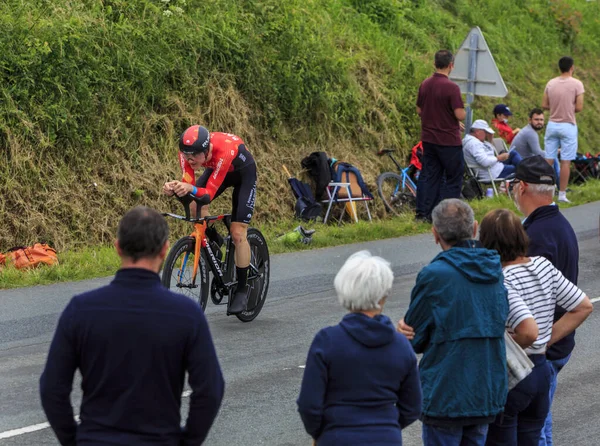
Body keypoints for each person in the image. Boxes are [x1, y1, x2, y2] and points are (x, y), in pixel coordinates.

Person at [40, 206, 225, 446]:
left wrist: (75, 440)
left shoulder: (80, 310)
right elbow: (211, 389)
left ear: (118, 247)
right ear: (165, 250)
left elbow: (52, 389)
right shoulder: (186, 314)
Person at [397, 199, 508, 446]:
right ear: (475, 228)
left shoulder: (434, 275)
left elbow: (415, 338)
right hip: (485, 387)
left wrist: (401, 328)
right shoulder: (494, 269)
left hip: (446, 391)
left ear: (435, 234)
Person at [479, 209, 592, 445]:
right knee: (531, 436)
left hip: (514, 373)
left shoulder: (502, 280)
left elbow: (528, 331)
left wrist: (513, 343)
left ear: (488, 242)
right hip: (541, 370)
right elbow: (583, 306)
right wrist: (547, 339)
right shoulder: (542, 265)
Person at [297, 250, 422, 446]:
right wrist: (387, 425)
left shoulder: (327, 341)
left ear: (344, 290)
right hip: (386, 438)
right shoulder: (401, 346)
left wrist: (321, 432)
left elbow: (308, 404)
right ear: (384, 295)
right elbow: (413, 406)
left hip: (336, 437)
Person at [509, 155, 579, 445]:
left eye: (512, 184)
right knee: (539, 425)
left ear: (522, 187)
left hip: (542, 350)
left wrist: (544, 340)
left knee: (534, 431)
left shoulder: (535, 236)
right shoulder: (559, 224)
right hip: (557, 344)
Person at [163, 125, 257, 314]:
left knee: (238, 233)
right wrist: (174, 188)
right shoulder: (189, 154)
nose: (189, 159)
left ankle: (241, 289)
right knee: (192, 204)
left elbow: (208, 194)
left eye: (195, 156)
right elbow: (188, 185)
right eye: (186, 155)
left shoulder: (224, 151)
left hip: (242, 173)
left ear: (207, 151)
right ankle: (213, 241)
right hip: (218, 171)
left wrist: (189, 189)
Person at [415, 49, 466, 223]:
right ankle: (447, 215)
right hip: (449, 141)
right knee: (453, 177)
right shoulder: (452, 88)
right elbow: (459, 114)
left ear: (434, 64)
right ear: (451, 65)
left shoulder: (425, 84)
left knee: (429, 176)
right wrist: (458, 117)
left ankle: (423, 213)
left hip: (429, 139)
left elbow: (419, 110)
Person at [542, 56, 585, 203]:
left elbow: (544, 104)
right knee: (565, 161)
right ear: (572, 67)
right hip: (568, 125)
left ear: (559, 68)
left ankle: (544, 193)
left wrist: (556, 106)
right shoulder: (577, 84)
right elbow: (579, 107)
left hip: (552, 124)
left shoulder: (551, 83)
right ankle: (561, 194)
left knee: (548, 159)